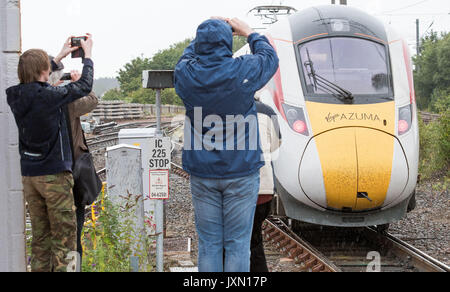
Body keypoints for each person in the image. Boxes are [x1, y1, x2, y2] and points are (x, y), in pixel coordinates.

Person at [174, 18, 279, 272]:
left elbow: (184, 59)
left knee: (209, 243)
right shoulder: (243, 70)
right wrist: (248, 32)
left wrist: (201, 39)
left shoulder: (187, 76)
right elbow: (269, 57)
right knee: (238, 244)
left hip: (203, 174)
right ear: (228, 42)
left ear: (199, 44)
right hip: (241, 173)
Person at [6, 34, 94, 272]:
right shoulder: (48, 96)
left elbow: (34, 77)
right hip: (54, 177)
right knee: (66, 240)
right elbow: (85, 87)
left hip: (30, 178)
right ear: (44, 70)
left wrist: (60, 55)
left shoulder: (15, 95)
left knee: (41, 239)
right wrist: (87, 57)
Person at [48, 61, 98, 267]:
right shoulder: (68, 102)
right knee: (74, 235)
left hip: (45, 176)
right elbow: (92, 100)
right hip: (70, 174)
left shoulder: (35, 101)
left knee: (48, 235)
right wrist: (78, 82)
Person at [250, 101, 281, 273]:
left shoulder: (227, 107)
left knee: (235, 242)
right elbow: (277, 145)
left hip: (238, 189)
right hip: (264, 188)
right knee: (255, 240)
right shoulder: (268, 112)